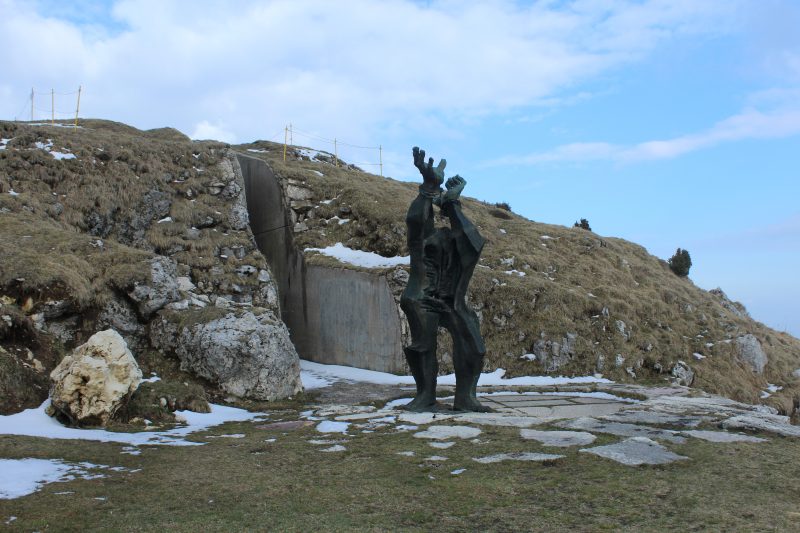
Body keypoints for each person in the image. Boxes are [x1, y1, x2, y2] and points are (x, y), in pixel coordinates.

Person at [400, 147, 489, 412]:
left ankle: (465, 397)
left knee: (474, 345)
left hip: (452, 301)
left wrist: (452, 203)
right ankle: (425, 395)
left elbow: (474, 243)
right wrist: (429, 187)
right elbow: (415, 221)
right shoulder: (424, 239)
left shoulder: (457, 240)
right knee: (422, 347)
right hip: (424, 297)